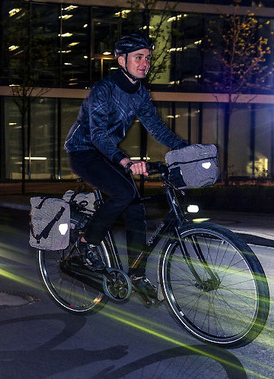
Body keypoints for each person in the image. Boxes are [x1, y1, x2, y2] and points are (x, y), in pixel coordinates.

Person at [64, 32, 187, 304]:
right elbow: (97, 135)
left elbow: (156, 127)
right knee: (122, 193)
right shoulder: (103, 89)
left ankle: (137, 274)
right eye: (138, 57)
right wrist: (125, 161)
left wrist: (186, 148)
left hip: (108, 155)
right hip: (84, 151)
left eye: (148, 58)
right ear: (122, 60)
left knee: (136, 207)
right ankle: (86, 244)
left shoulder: (141, 93)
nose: (145, 63)